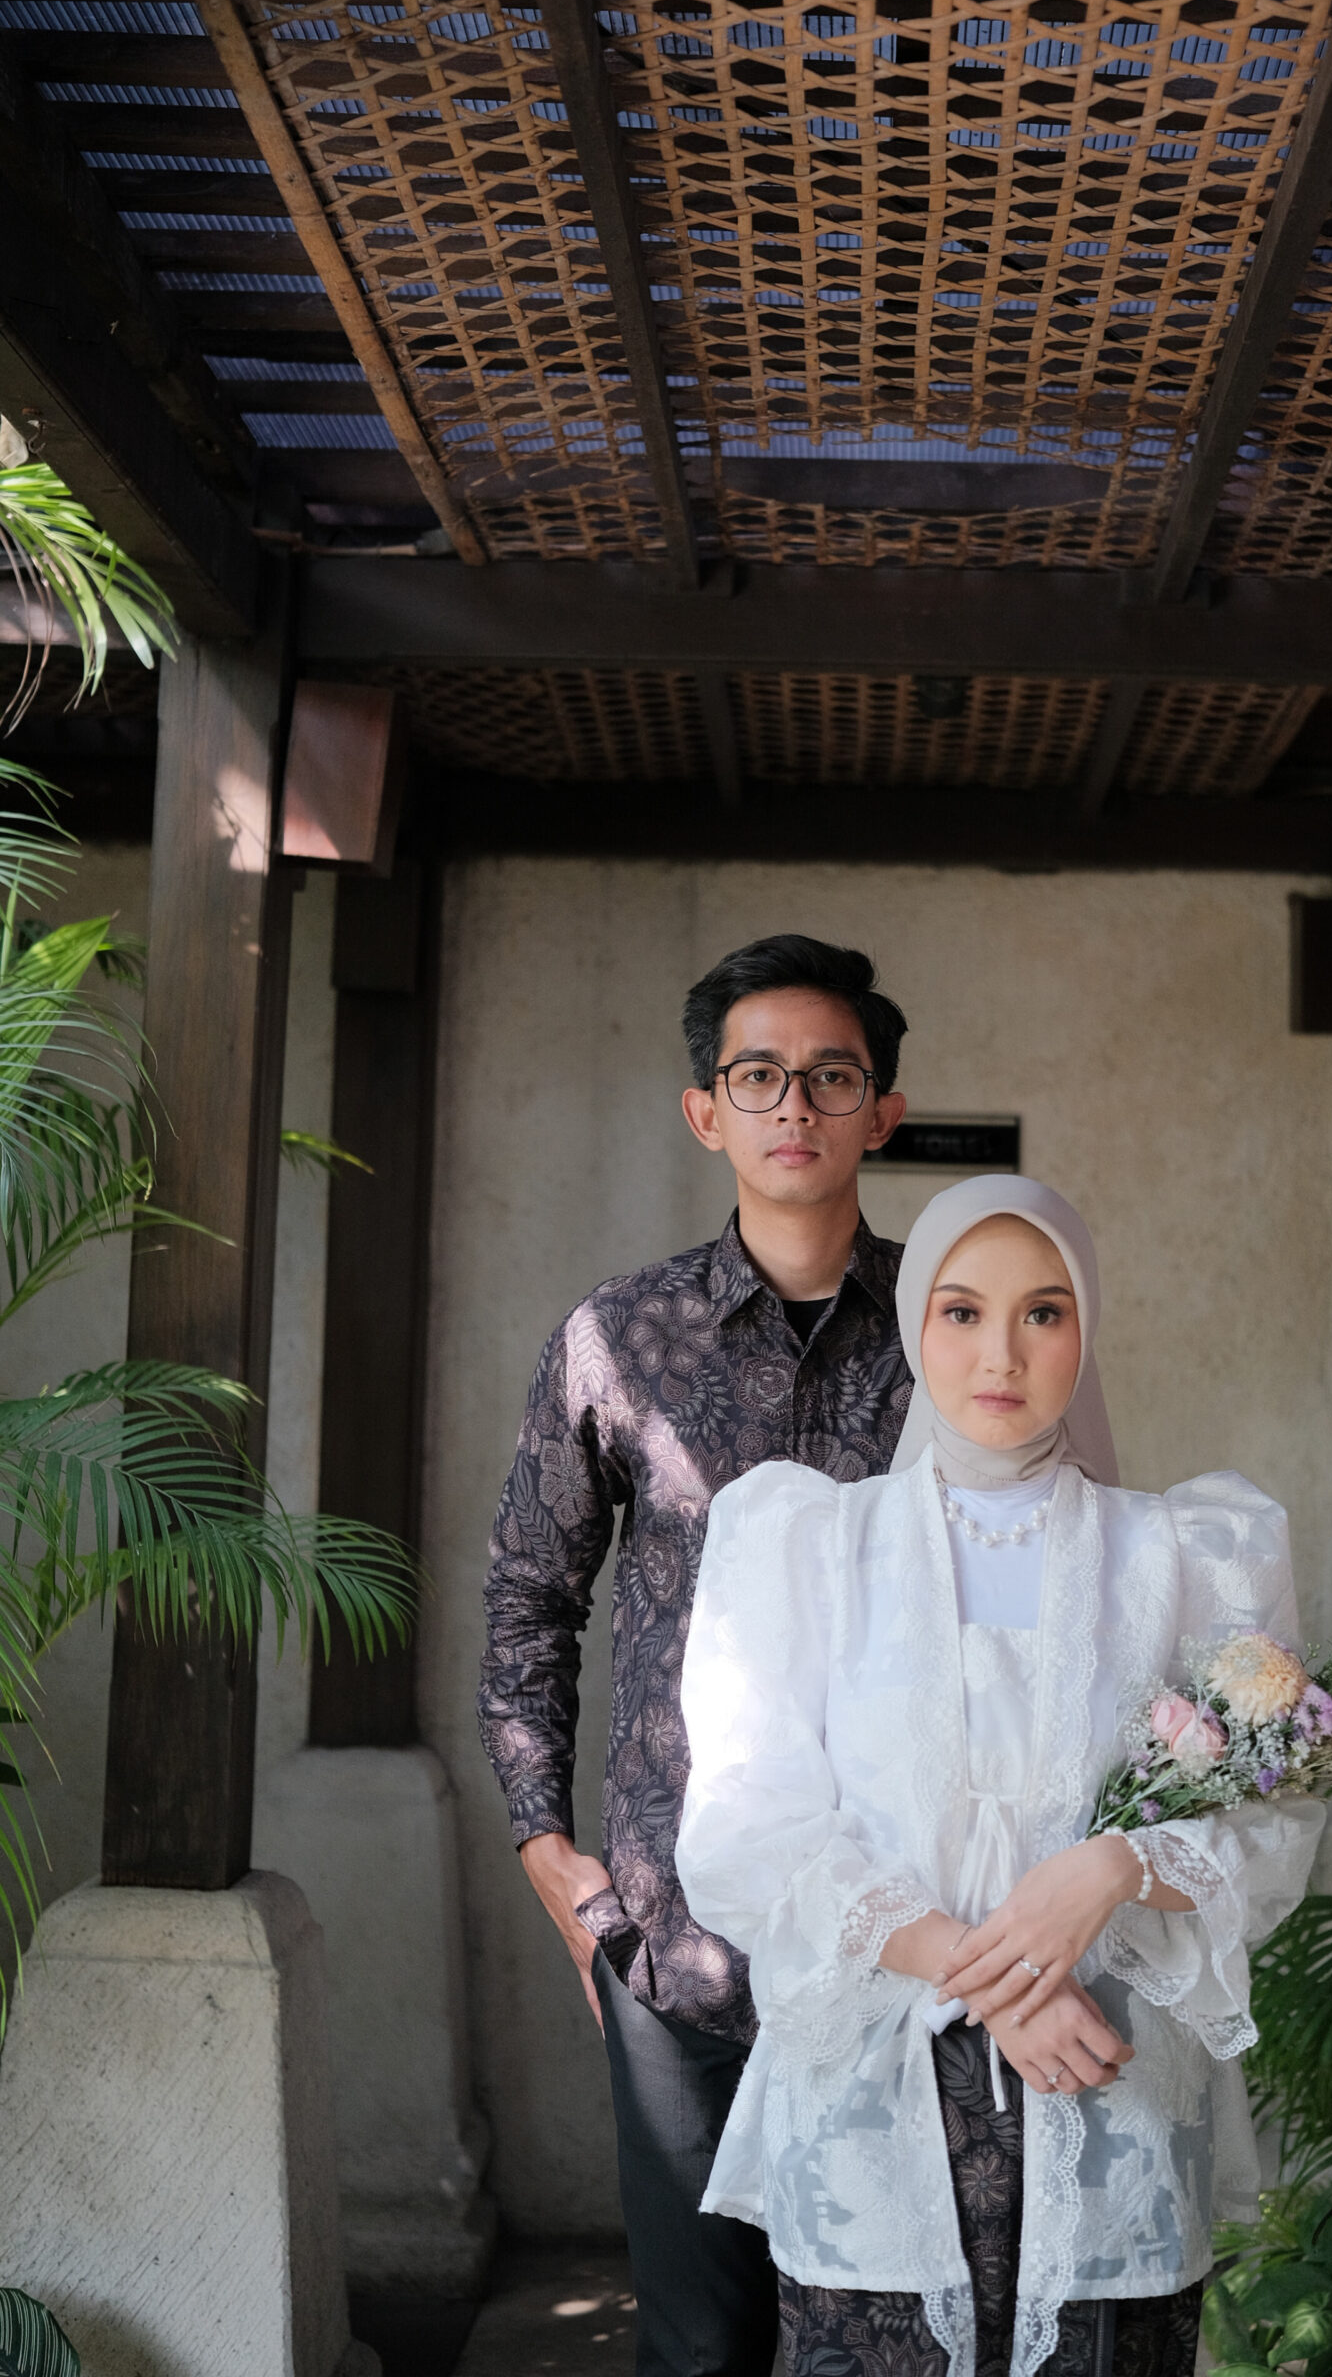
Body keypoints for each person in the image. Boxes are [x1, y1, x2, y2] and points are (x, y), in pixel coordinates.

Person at [676, 1176, 1326, 2377]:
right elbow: (748, 1823)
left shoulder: (1187, 1552)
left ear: (1087, 1328)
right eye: (963, 1310)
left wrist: (1111, 1866)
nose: (1002, 1353)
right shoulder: (810, 1543)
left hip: (1111, 2095)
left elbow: (1266, 1822)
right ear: (915, 1322)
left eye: (1044, 1312)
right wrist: (999, 1975)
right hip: (875, 2098)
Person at [478, 934, 915, 2377]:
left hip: (905, 1921)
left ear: (881, 1111)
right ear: (705, 1110)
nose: (794, 1104)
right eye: (758, 1075)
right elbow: (529, 1594)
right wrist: (548, 1848)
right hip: (678, 1935)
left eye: (831, 1076)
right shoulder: (617, 1338)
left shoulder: (950, 1328)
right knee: (703, 2346)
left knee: (885, 2334)